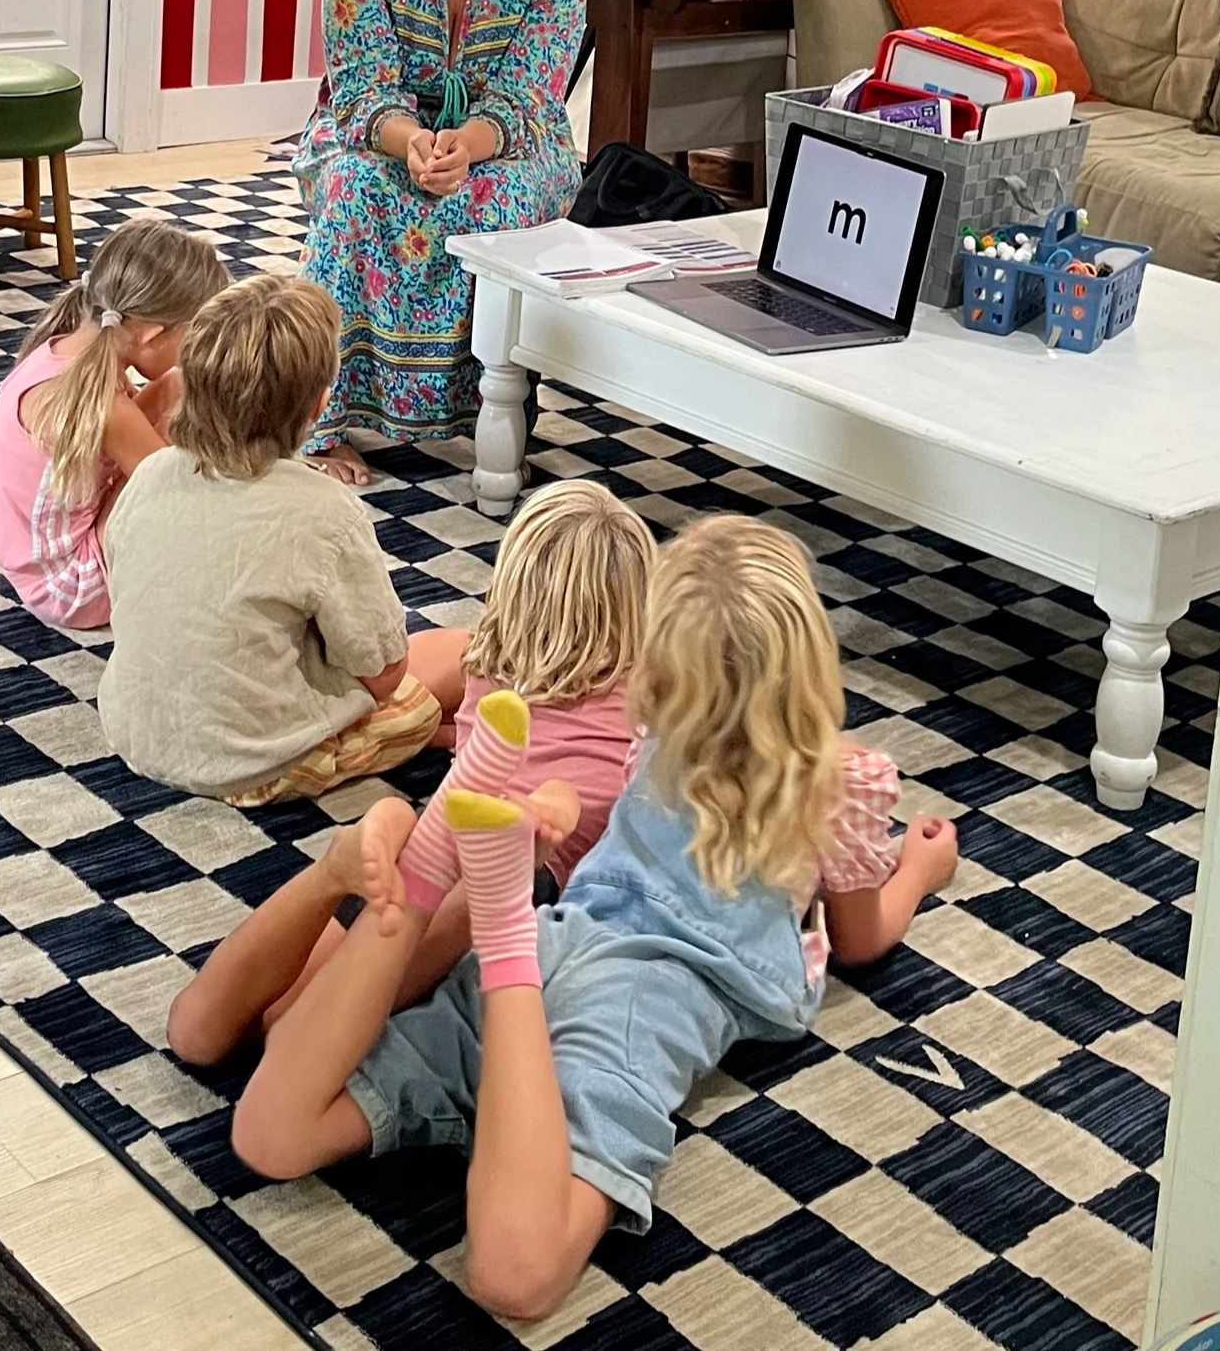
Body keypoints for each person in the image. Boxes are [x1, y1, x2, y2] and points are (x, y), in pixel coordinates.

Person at [226, 515, 964, 1321]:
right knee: (517, 1274)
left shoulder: (652, 732)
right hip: (641, 1011)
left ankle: (467, 891)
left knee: (270, 1137)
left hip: (565, 942)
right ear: (813, 664)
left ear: (655, 668)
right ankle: (500, 919)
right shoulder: (845, 782)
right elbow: (861, 940)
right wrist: (918, 872)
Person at [165, 478, 656, 1066]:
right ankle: (477, 873)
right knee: (288, 1038)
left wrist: (436, 731)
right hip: (511, 885)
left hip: (437, 843)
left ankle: (331, 873)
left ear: (514, 582)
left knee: (196, 1031)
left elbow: (427, 680)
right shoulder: (659, 707)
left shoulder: (491, 657)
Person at [294, 0, 587, 487]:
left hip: (514, 144)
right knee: (358, 188)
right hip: (380, 133)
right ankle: (320, 420)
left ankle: (493, 413)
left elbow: (531, 95)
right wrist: (413, 143)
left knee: (496, 199)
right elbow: (361, 88)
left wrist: (468, 146)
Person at [97, 274, 464, 804]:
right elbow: (384, 672)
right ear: (318, 404)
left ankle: (424, 736)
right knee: (465, 652)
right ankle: (425, 738)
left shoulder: (150, 473)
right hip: (259, 763)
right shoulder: (326, 509)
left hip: (136, 733)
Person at [0, 219, 228, 630]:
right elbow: (174, 491)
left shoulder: (62, 352)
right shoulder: (106, 407)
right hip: (72, 587)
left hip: (31, 567)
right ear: (151, 334)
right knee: (184, 450)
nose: (193, 350)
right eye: (192, 336)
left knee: (177, 387)